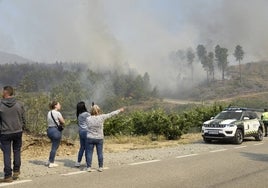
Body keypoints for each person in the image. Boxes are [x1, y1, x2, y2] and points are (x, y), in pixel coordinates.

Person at [85, 104, 124, 172]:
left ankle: (89, 167)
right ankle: (100, 167)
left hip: (90, 137)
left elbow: (90, 115)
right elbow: (111, 114)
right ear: (99, 111)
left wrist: (92, 109)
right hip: (99, 138)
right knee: (99, 153)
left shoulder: (88, 118)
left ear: (91, 111)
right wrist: (119, 110)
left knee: (89, 153)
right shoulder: (102, 117)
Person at [0, 86, 26, 183]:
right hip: (17, 131)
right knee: (17, 151)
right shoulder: (19, 104)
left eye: (3, 91)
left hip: (5, 132)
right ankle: (16, 170)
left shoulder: (0, 105)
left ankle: (8, 176)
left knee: (7, 153)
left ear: (6, 92)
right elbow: (23, 118)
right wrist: (22, 127)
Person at [46, 100, 65, 168]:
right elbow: (63, 121)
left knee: (53, 146)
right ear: (55, 106)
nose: (60, 106)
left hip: (49, 130)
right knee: (54, 147)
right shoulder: (57, 113)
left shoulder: (49, 112)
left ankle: (49, 160)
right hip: (56, 131)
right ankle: (51, 162)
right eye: (59, 104)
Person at [75, 101, 90, 167]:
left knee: (82, 147)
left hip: (81, 132)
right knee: (87, 148)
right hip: (86, 131)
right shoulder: (86, 114)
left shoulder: (79, 115)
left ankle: (78, 162)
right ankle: (87, 162)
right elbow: (92, 117)